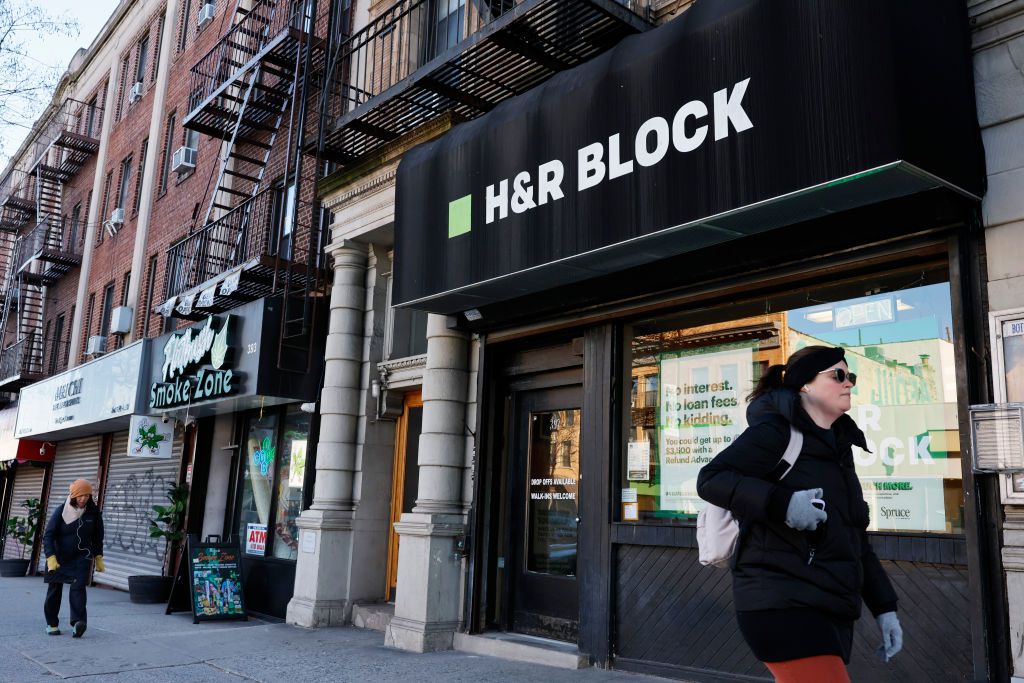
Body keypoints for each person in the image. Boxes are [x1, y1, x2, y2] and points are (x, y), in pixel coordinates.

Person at [696, 345, 902, 682]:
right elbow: (712, 479)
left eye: (851, 376)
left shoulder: (838, 449)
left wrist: (884, 608)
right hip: (779, 600)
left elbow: (853, 539)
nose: (848, 382)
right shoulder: (776, 433)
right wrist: (784, 504)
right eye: (838, 375)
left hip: (826, 604)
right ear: (804, 385)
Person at [42, 479, 105, 638]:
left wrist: (98, 555)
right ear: (73, 496)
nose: (83, 498)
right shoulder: (61, 511)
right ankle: (52, 623)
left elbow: (98, 537)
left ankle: (78, 623)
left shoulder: (94, 513)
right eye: (80, 495)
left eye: (86, 495)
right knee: (54, 590)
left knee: (78, 588)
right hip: (58, 557)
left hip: (80, 557)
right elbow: (48, 535)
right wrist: (50, 556)